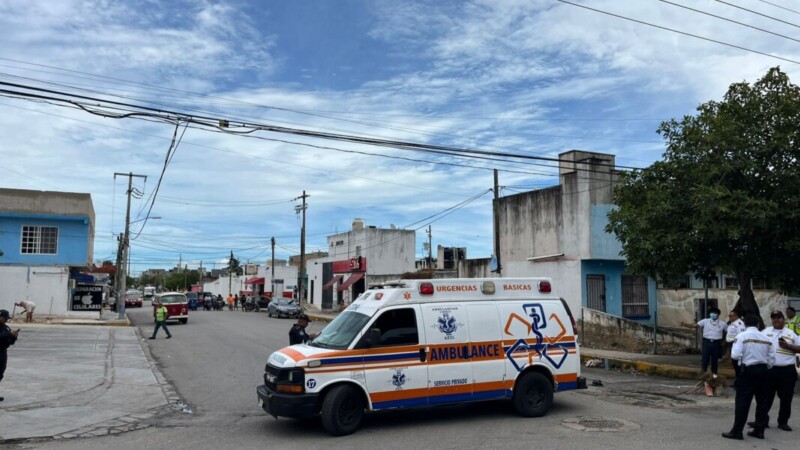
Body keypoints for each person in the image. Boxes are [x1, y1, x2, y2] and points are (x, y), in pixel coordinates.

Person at [723, 314, 775, 440]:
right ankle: (759, 430)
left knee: (743, 401)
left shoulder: (742, 336)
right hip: (764, 371)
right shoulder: (767, 338)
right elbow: (772, 359)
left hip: (748, 371)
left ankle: (737, 431)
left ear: (745, 324)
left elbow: (735, 355)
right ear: (758, 325)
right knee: (762, 402)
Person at [749, 310, 799, 432]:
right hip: (769, 370)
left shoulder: (791, 333)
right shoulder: (765, 332)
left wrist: (788, 346)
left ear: (783, 319)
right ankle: (761, 421)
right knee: (764, 397)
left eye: (778, 318)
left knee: (786, 398)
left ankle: (783, 422)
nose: (776, 320)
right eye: (773, 318)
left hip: (787, 371)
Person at [681, 307, 726, 377]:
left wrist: (724, 342)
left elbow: (728, 332)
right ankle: (703, 374)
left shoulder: (723, 324)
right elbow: (694, 325)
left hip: (716, 343)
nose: (713, 315)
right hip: (707, 342)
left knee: (715, 360)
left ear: (718, 314)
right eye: (712, 313)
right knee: (705, 359)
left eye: (715, 313)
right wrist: (685, 325)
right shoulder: (705, 321)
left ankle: (714, 375)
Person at [0, 310, 19, 402]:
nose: (6, 320)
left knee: (0, 374)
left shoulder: (6, 327)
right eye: (5, 318)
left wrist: (14, 337)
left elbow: (10, 342)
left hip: (3, 352)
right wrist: (9, 334)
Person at [727, 310, 746, 387]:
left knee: (738, 365)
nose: (729, 317)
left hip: (736, 345)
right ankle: (737, 382)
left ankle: (740, 383)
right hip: (732, 345)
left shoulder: (739, 324)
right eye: (729, 316)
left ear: (736, 316)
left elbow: (741, 335)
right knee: (735, 365)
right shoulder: (732, 323)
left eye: (731, 316)